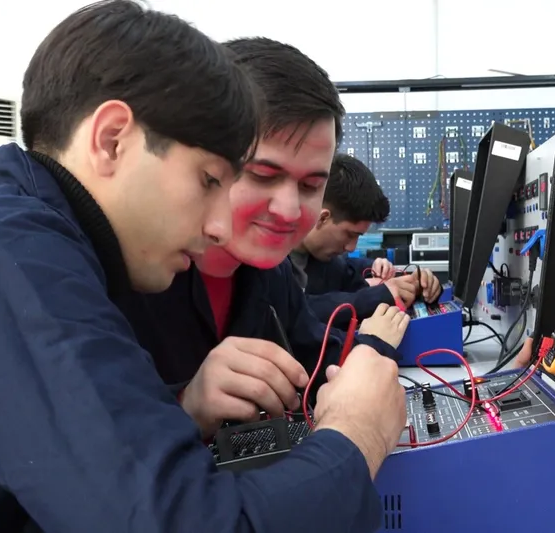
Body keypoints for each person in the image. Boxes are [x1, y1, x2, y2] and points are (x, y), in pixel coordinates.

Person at [0, 3, 407, 532]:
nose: (219, 226)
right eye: (209, 181)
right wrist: (357, 432)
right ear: (111, 140)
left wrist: (180, 409)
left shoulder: (36, 248)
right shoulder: (0, 256)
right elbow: (180, 520)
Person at [124, 37, 409, 437]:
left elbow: (320, 365)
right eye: (262, 175)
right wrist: (185, 406)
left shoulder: (271, 275)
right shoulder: (125, 276)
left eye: (311, 185)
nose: (289, 210)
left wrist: (371, 353)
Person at [291, 153, 442, 328]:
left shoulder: (325, 260)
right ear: (322, 218)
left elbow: (350, 272)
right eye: (350, 234)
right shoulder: (273, 265)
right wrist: (377, 297)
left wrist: (416, 283)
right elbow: (296, 310)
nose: (351, 247)